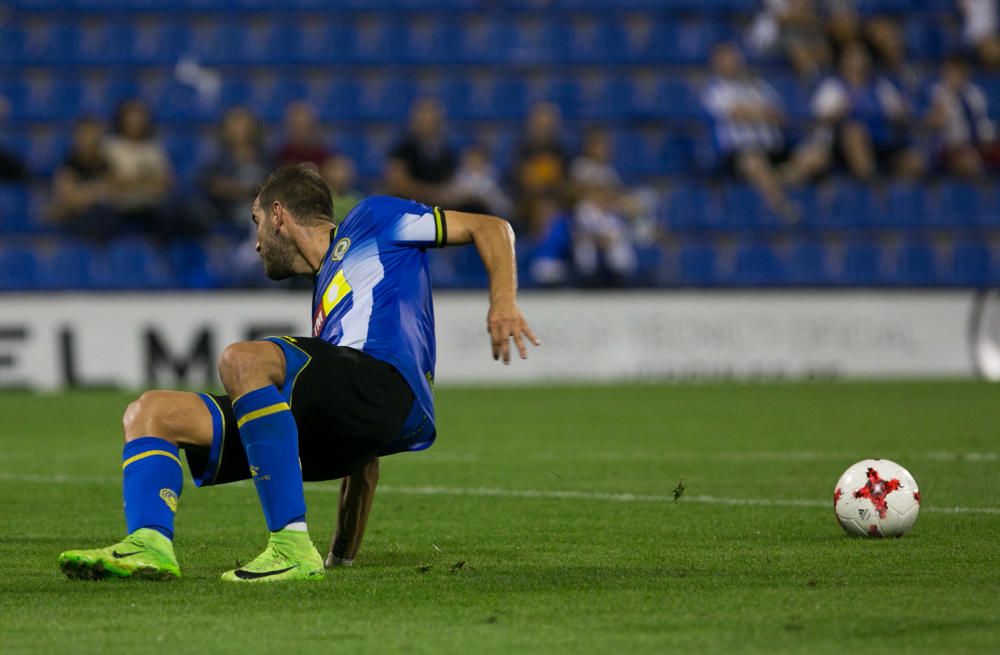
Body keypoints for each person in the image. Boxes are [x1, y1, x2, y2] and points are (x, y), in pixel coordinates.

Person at [57, 165, 539, 582]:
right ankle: (149, 545)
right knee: (151, 411)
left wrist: (502, 301)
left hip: (389, 385)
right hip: (352, 418)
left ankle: (288, 547)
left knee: (241, 360)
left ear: (279, 215)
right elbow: (362, 460)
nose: (257, 242)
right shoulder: (326, 303)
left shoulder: (375, 219)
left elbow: (491, 226)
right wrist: (342, 556)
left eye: (257, 223)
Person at [701, 43, 799, 218]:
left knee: (814, 156)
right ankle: (781, 206)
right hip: (739, 153)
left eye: (734, 58)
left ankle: (774, 179)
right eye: (726, 60)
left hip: (774, 149)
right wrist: (762, 112)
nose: (732, 63)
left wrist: (753, 112)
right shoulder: (715, 90)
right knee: (753, 162)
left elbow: (781, 117)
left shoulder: (760, 86)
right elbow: (736, 113)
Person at [104, 98, 174, 234]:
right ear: (122, 120)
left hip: (150, 206)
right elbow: (112, 180)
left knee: (170, 215)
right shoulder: (110, 147)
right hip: (117, 206)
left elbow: (165, 182)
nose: (134, 124)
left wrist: (131, 180)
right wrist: (145, 179)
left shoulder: (154, 148)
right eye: (130, 120)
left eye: (138, 120)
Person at [926, 55, 997, 177]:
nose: (952, 77)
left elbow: (982, 122)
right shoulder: (938, 93)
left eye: (956, 72)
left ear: (964, 74)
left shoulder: (974, 93)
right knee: (969, 163)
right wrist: (945, 105)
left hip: (975, 144)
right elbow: (933, 123)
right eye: (949, 72)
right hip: (948, 147)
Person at [199, 106, 270, 228]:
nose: (240, 129)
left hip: (262, 210)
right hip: (227, 211)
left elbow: (272, 183)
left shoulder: (264, 156)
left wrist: (241, 190)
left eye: (243, 123)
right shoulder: (218, 158)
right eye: (235, 123)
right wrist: (243, 191)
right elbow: (212, 184)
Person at [50, 117, 117, 239]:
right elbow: (67, 199)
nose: (88, 140)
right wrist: (96, 191)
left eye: (93, 136)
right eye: (84, 136)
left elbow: (113, 194)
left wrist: (82, 193)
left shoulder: (106, 164)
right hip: (77, 220)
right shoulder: (69, 164)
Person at [384, 97, 458, 206]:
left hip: (438, 210)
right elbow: (397, 183)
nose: (427, 121)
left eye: (431, 117)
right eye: (423, 116)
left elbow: (452, 183)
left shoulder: (445, 151)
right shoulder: (403, 149)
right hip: (408, 209)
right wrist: (432, 194)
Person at [273, 102, 331, 169]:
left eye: (304, 126)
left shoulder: (322, 155)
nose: (299, 130)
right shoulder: (280, 154)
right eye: (295, 125)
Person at [319, 153, 364, 224]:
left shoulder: (357, 199)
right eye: (336, 169)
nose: (341, 174)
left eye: (345, 169)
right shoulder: (321, 198)